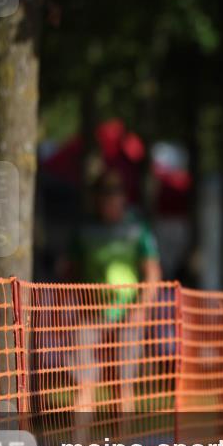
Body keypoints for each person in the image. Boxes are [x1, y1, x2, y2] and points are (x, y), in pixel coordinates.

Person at [62, 169, 161, 422]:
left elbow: (152, 272)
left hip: (127, 314)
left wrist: (140, 310)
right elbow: (70, 272)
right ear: (96, 197)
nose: (109, 199)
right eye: (103, 193)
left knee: (121, 386)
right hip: (91, 316)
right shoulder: (83, 229)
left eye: (114, 193)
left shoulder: (138, 228)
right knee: (84, 383)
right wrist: (71, 308)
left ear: (123, 197)